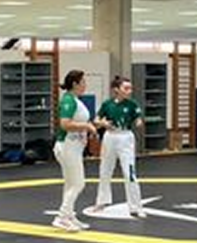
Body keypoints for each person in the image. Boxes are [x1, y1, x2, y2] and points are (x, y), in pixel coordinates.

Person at [90, 75, 145, 217]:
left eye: (130, 88)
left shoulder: (132, 104)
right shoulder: (107, 104)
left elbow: (138, 118)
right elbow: (96, 119)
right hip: (110, 137)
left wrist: (139, 122)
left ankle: (135, 206)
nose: (129, 91)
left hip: (125, 137)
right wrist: (103, 123)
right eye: (126, 88)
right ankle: (102, 201)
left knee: (130, 172)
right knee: (105, 170)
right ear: (116, 90)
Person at [52, 69, 96, 232]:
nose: (85, 85)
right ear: (75, 84)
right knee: (78, 183)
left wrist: (94, 125)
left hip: (74, 147)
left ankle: (69, 215)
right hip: (67, 146)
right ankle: (62, 216)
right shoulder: (69, 101)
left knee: (70, 184)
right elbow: (65, 123)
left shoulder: (76, 100)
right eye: (83, 82)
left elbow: (81, 122)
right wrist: (86, 126)